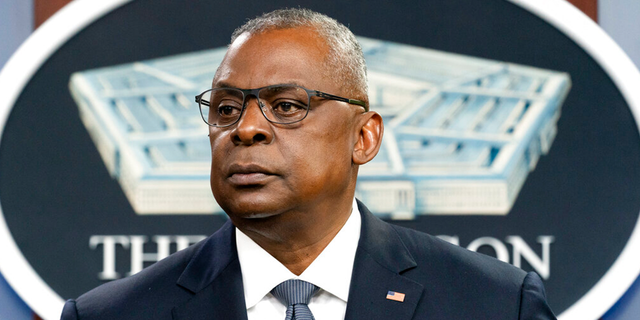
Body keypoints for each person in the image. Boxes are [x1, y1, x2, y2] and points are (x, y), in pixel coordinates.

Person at [61, 8, 556, 320]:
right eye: (226, 109)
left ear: (364, 137)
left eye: (287, 106)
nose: (245, 128)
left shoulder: (494, 304)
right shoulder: (112, 314)